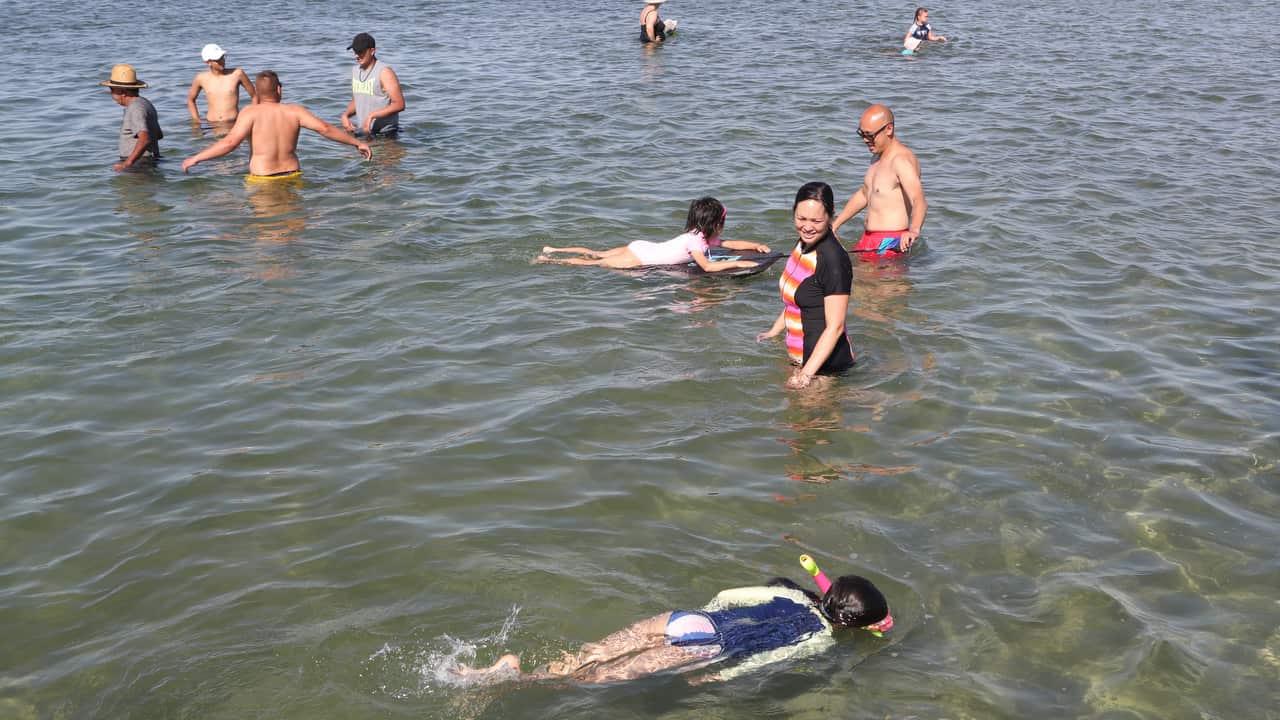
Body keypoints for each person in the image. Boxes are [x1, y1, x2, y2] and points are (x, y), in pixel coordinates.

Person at [457, 570, 891, 684]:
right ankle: (523, 679)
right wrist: (719, 673)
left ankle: (521, 665)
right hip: (708, 646)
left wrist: (705, 613)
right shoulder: (817, 638)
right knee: (593, 681)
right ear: (850, 624)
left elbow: (731, 596)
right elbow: (768, 659)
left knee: (594, 653)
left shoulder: (792, 594)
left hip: (694, 619)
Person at [182, 71, 371, 179]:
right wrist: (357, 143)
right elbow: (325, 129)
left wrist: (197, 158)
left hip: (263, 179)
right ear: (279, 89)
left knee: (266, 236)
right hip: (293, 175)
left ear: (257, 91)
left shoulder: (249, 112)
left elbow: (230, 143)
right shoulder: (295, 111)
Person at [759, 182, 856, 389]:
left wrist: (805, 375)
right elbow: (795, 301)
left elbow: (835, 327)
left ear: (830, 216)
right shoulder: (803, 243)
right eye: (801, 218)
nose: (807, 226)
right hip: (801, 359)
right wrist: (773, 332)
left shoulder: (833, 261)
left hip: (824, 367)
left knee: (816, 422)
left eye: (816, 220)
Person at [538, 197, 769, 271]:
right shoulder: (696, 244)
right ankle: (548, 260)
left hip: (642, 246)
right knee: (595, 264)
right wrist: (740, 264)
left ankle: (553, 249)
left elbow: (730, 243)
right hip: (640, 258)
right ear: (715, 224)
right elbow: (707, 266)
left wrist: (756, 244)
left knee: (596, 254)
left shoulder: (697, 235)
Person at [831, 104, 928, 257]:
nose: (865, 140)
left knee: (873, 281)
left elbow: (919, 200)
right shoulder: (877, 157)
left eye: (869, 135)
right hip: (869, 239)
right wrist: (835, 225)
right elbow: (865, 193)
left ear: (888, 129)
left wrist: (914, 230)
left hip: (890, 243)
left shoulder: (901, 160)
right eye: (861, 134)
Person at [341, 33, 405, 137]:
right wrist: (346, 115)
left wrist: (372, 115)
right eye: (355, 51)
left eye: (360, 52)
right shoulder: (355, 71)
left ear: (372, 51)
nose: (356, 55)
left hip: (386, 134)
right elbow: (357, 99)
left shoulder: (384, 72)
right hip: (365, 133)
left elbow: (399, 104)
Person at [101, 64, 163, 171]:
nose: (111, 94)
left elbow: (145, 138)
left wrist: (127, 164)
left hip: (139, 164)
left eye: (111, 90)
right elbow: (158, 135)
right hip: (148, 161)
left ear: (122, 92)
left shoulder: (135, 108)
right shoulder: (145, 103)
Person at [186, 43, 256, 124]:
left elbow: (254, 95)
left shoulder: (237, 74)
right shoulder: (201, 78)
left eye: (222, 57)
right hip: (211, 125)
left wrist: (252, 117)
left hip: (233, 123)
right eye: (218, 59)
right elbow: (191, 100)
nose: (222, 61)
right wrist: (196, 120)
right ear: (208, 62)